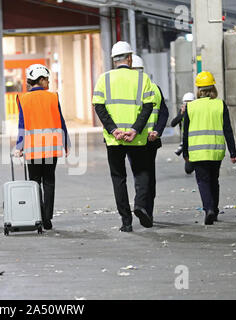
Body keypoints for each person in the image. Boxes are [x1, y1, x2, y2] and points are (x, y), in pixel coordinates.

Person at [92, 41, 155, 232]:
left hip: (114, 140)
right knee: (142, 173)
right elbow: (148, 106)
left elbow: (99, 106)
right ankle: (140, 205)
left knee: (118, 178)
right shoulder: (142, 79)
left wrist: (113, 130)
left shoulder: (104, 79)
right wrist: (135, 129)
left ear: (113, 60)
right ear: (129, 58)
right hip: (136, 138)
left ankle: (126, 221)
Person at [14, 64, 70, 230]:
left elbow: (22, 125)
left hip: (32, 150)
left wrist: (19, 146)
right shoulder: (53, 97)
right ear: (40, 79)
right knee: (49, 182)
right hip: (51, 148)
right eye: (47, 79)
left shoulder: (22, 98)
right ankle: (47, 218)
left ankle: (37, 215)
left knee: (34, 182)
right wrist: (66, 143)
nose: (49, 83)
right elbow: (61, 122)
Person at [182, 71, 236, 225]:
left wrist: (185, 152)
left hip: (197, 152)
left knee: (203, 181)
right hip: (216, 150)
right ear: (213, 87)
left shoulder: (191, 107)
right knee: (214, 180)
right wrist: (233, 151)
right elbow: (227, 129)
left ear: (198, 89)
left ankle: (209, 209)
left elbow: (185, 132)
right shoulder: (220, 104)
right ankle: (215, 209)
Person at [131, 54, 169, 222]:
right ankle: (148, 211)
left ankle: (141, 206)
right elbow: (164, 112)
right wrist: (158, 131)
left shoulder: (129, 89)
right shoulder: (154, 87)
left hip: (133, 140)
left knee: (139, 174)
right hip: (150, 140)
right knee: (148, 175)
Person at [171, 92, 195, 174]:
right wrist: (181, 114)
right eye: (186, 102)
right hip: (186, 141)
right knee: (188, 170)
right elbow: (173, 123)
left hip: (195, 139)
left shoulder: (197, 111)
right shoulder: (182, 112)